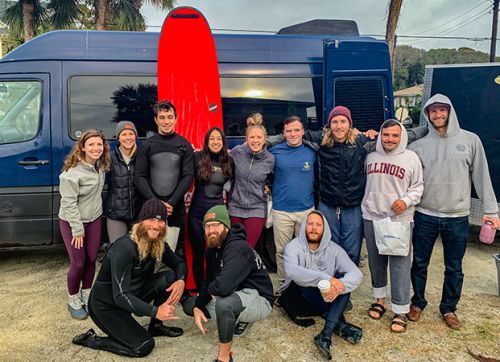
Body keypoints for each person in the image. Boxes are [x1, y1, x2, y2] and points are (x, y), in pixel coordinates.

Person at [407, 94, 500, 330]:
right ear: (427, 114)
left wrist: (491, 210)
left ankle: (449, 308)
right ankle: (417, 303)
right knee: (419, 262)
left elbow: (481, 176)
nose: (438, 115)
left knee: (454, 267)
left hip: (457, 216)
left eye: (442, 110)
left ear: (450, 112)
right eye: (433, 111)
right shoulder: (418, 146)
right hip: (425, 214)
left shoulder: (469, 140)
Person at [71, 198, 187, 357]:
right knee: (143, 346)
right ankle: (92, 340)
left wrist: (181, 280)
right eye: (151, 219)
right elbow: (120, 296)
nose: (156, 225)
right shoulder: (124, 247)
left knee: (170, 277)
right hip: (107, 306)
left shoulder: (157, 242)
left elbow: (179, 263)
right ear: (141, 222)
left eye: (161, 221)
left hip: (131, 295)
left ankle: (156, 327)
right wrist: (155, 311)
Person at [183, 205, 274, 362]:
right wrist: (199, 305)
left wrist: (213, 289)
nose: (211, 231)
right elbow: (209, 280)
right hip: (236, 293)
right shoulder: (212, 248)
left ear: (226, 226)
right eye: (207, 226)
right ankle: (236, 318)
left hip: (259, 298)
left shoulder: (237, 247)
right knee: (190, 306)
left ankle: (224, 358)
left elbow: (223, 287)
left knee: (224, 303)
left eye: (215, 225)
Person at [361, 119, 424, 333]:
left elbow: (418, 187)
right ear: (380, 135)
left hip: (399, 219)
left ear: (402, 136)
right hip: (372, 216)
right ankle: (379, 300)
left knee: (399, 265)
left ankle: (400, 310)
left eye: (395, 135)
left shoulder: (411, 158)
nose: (390, 139)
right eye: (386, 135)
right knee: (376, 263)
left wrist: (406, 201)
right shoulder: (370, 156)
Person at [278, 211, 363, 361]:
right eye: (310, 224)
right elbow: (292, 272)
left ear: (325, 229)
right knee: (304, 282)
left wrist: (339, 285)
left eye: (318, 225)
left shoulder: (335, 249)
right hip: (298, 300)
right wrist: (327, 278)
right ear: (304, 226)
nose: (314, 228)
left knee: (342, 286)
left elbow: (357, 274)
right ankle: (340, 326)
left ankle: (326, 334)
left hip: (322, 298)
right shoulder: (293, 246)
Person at [59, 129, 110, 319]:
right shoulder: (70, 174)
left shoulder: (100, 166)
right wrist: (77, 230)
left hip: (94, 219)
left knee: (90, 259)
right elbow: (68, 203)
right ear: (82, 147)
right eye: (91, 145)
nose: (96, 148)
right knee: (78, 263)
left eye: (99, 144)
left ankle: (87, 294)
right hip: (73, 223)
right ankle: (73, 298)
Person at [135, 99, 194, 257]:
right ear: (156, 120)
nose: (166, 121)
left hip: (175, 209)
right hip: (150, 208)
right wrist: (156, 203)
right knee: (147, 253)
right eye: (162, 117)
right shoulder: (147, 145)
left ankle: (175, 282)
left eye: (169, 117)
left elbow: (188, 176)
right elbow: (139, 176)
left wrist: (171, 203)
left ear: (176, 118)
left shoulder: (184, 144)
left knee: (176, 252)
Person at [269, 115, 317, 286]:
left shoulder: (312, 151)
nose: (293, 134)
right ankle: (284, 286)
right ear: (283, 133)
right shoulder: (275, 151)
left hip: (306, 209)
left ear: (303, 131)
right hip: (281, 210)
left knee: (306, 251)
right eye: (289, 131)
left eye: (297, 130)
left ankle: (302, 285)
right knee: (282, 251)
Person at [188, 127, 233, 291]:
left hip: (218, 216)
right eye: (212, 139)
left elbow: (233, 188)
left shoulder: (229, 161)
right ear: (207, 141)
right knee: (198, 255)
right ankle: (200, 291)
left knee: (217, 255)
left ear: (223, 142)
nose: (215, 142)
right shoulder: (197, 157)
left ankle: (215, 289)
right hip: (197, 215)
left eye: (219, 139)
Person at [228, 114, 275, 248]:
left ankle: (247, 269)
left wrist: (268, 186)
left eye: (259, 137)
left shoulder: (270, 159)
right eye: (252, 137)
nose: (255, 141)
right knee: (234, 246)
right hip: (235, 208)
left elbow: (274, 179)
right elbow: (222, 162)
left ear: (265, 139)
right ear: (246, 139)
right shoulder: (237, 152)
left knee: (248, 247)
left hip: (257, 209)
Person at [105, 121, 140, 243]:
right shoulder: (109, 158)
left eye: (131, 134)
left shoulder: (142, 157)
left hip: (138, 214)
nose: (128, 137)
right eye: (124, 134)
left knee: (139, 252)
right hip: (116, 214)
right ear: (118, 137)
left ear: (135, 136)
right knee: (117, 250)